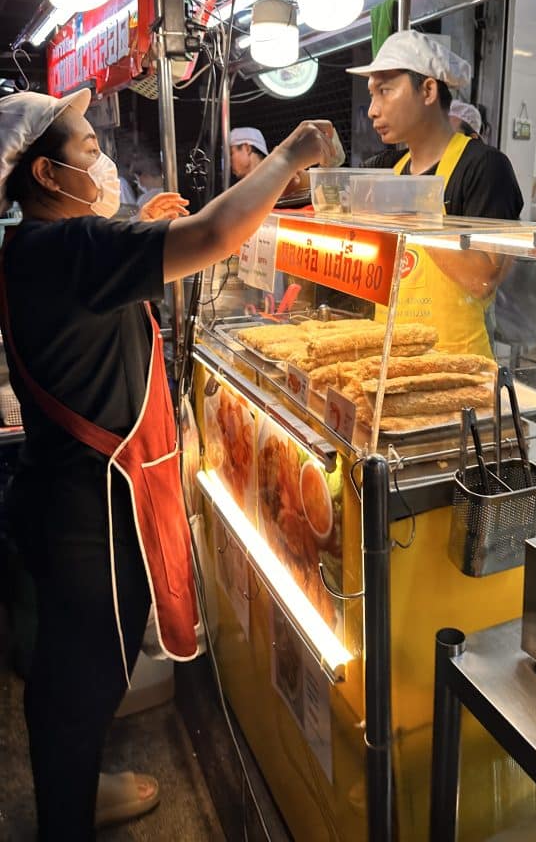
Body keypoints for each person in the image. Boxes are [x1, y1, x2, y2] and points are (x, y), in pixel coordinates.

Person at [0, 89, 334, 840]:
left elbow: (105, 277)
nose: (103, 159)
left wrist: (138, 233)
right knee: (84, 676)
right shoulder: (72, 250)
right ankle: (66, 817)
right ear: (48, 177)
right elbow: (216, 231)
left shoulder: (41, 246)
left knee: (74, 666)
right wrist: (290, 156)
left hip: (60, 496)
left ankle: (75, 786)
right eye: (88, 148)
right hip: (91, 507)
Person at [348, 30, 523, 355]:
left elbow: (483, 280)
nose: (372, 110)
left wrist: (410, 216)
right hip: (391, 359)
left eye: (385, 91)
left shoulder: (484, 167)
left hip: (456, 368)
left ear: (428, 90)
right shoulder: (392, 170)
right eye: (372, 94)